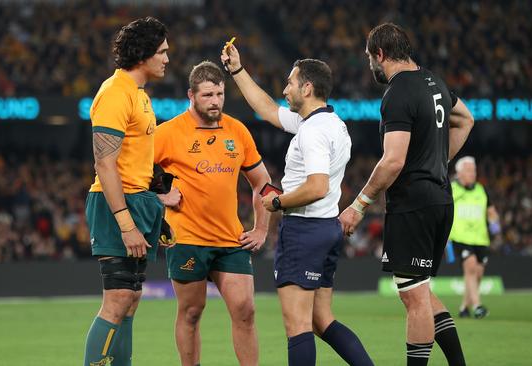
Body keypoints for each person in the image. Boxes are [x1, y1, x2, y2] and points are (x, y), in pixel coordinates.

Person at [222, 45, 373, 366]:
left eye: (290, 83)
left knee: (298, 327)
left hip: (304, 231)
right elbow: (266, 108)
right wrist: (237, 70)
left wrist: (276, 201)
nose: (284, 89)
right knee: (322, 321)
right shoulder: (330, 124)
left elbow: (317, 186)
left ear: (307, 87)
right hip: (326, 229)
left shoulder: (313, 132)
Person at [339, 23, 474, 366]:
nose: (371, 65)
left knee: (414, 300)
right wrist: (437, 163)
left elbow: (393, 161)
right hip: (441, 199)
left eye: (371, 58)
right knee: (422, 291)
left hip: (413, 204)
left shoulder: (397, 92)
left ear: (380, 54)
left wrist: (358, 204)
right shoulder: (434, 82)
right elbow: (466, 119)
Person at [154, 60, 271, 366]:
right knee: (191, 313)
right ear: (191, 96)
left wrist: (261, 229)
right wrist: (160, 195)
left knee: (245, 310)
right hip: (187, 238)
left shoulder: (237, 130)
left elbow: (263, 183)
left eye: (219, 94)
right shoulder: (168, 133)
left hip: (230, 239)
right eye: (207, 95)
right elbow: (131, 173)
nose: (215, 101)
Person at [83, 17, 169, 366]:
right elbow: (105, 164)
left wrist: (156, 205)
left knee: (131, 299)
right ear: (144, 54)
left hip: (138, 202)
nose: (166, 59)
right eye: (162, 52)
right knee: (117, 299)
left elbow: (138, 164)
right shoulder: (115, 93)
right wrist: (126, 223)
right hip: (115, 205)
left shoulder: (139, 96)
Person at [449, 156, 500, 319]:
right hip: (460, 237)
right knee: (470, 267)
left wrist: (495, 225)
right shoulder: (451, 189)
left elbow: (491, 211)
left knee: (477, 273)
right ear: (459, 173)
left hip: (480, 238)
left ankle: (465, 307)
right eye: (469, 170)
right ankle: (478, 306)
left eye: (474, 170)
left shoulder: (481, 190)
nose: (473, 173)